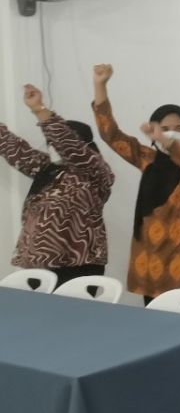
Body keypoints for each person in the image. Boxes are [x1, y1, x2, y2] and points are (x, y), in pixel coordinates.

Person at [92, 64, 180, 301]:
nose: (170, 133)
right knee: (155, 316)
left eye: (179, 129)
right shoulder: (148, 158)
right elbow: (111, 135)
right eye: (164, 129)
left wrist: (168, 142)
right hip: (153, 256)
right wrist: (100, 85)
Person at [2, 84, 113, 284]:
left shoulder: (95, 171)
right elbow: (15, 149)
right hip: (38, 265)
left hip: (78, 265)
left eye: (55, 142)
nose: (52, 146)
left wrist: (39, 109)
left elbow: (68, 144)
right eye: (49, 142)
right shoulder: (48, 169)